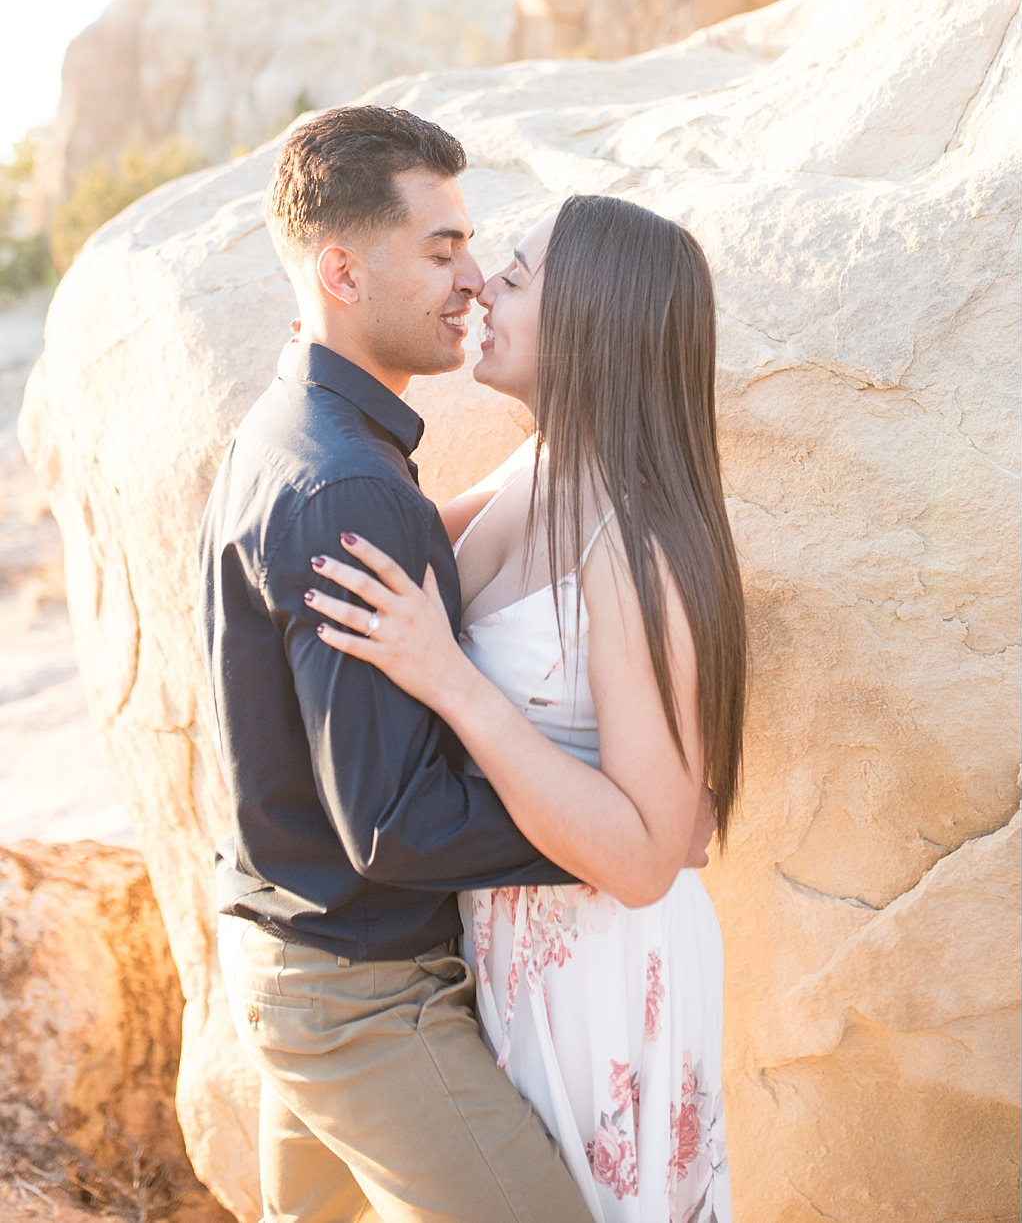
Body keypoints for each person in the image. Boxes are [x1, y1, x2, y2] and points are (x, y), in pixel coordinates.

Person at [305, 188, 743, 1221]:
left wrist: (451, 682)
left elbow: (644, 859)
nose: (481, 289)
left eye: (515, 272)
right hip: (505, 937)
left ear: (590, 314)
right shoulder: (533, 467)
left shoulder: (632, 543)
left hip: (599, 967)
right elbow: (381, 537)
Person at [202, 105, 592, 1221]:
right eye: (440, 249)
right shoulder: (351, 486)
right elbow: (395, 822)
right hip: (359, 994)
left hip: (287, 956)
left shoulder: (286, 434)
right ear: (340, 267)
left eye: (473, 249)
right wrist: (611, 826)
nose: (471, 279)